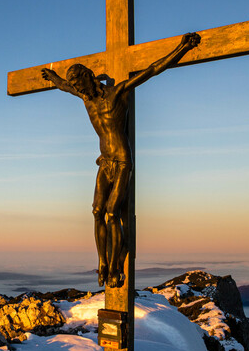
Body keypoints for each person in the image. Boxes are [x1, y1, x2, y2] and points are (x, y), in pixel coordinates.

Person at [42, 32, 201, 287]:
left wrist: (182, 47)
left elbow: (152, 70)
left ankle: (116, 265)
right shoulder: (86, 98)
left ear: (89, 77)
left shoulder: (117, 93)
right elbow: (65, 87)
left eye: (81, 85)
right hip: (104, 161)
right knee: (96, 211)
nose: (80, 90)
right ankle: (102, 262)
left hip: (122, 161)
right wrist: (55, 79)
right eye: (77, 88)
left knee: (112, 213)